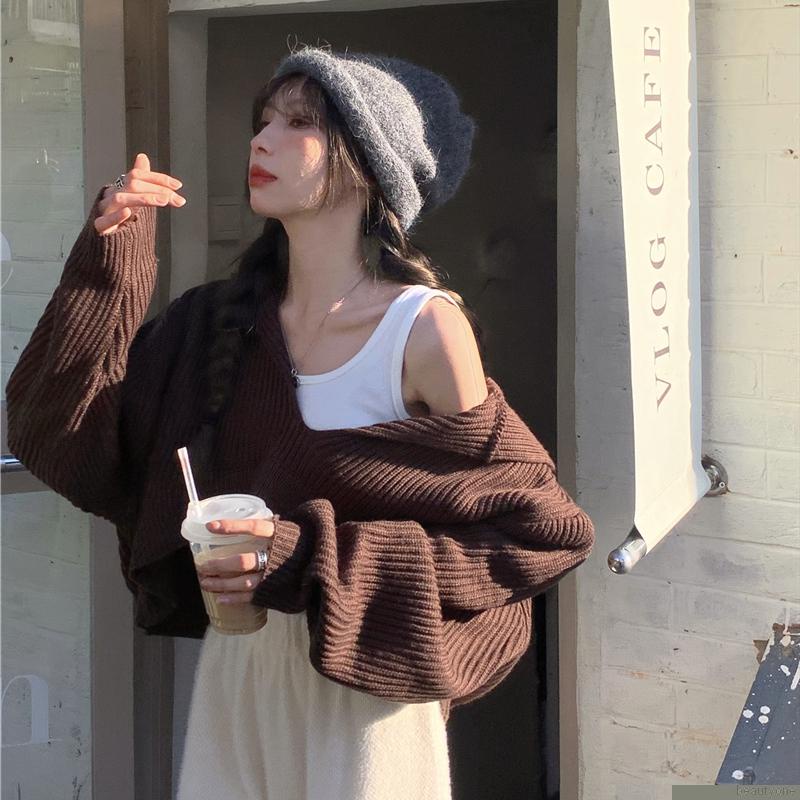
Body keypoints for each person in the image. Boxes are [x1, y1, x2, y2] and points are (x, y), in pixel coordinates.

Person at [6, 46, 595, 800]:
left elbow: (538, 530)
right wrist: (111, 261)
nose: (262, 139)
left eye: (299, 123)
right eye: (264, 121)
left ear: (368, 166)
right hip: (240, 672)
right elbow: (62, 437)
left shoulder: (422, 330)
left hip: (369, 695)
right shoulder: (216, 326)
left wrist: (300, 554)